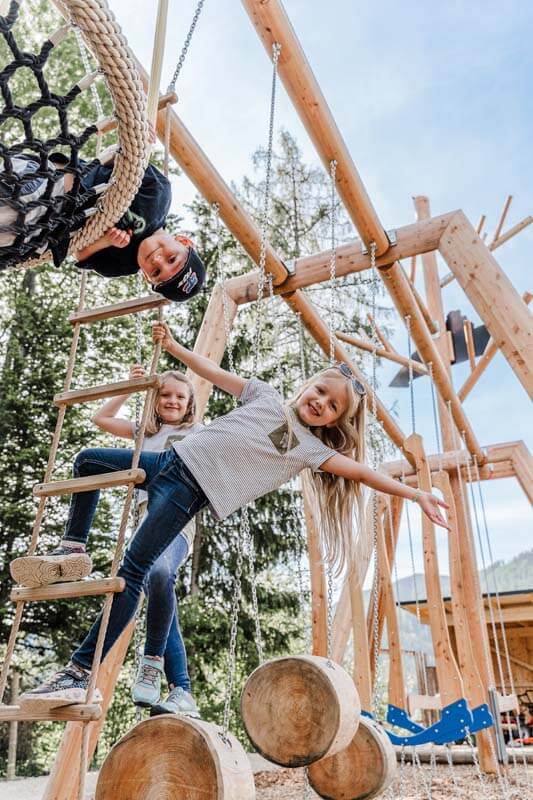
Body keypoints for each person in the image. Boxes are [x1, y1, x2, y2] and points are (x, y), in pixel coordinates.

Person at [18, 321, 450, 712]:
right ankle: (73, 547)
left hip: (187, 491)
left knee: (134, 573)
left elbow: (361, 472)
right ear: (307, 386)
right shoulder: (265, 395)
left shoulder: (308, 449)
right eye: (320, 391)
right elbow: (212, 372)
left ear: (335, 420)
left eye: (332, 406)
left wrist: (415, 494)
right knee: (88, 461)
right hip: (167, 462)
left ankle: (80, 672)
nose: (321, 402)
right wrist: (175, 347)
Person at [11, 366, 203, 718]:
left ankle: (153, 662)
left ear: (190, 404)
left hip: (178, 523)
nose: (172, 401)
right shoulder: (145, 431)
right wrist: (131, 387)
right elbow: (101, 418)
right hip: (146, 521)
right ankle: (73, 545)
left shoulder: (197, 433)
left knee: (160, 575)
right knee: (158, 588)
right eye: (164, 395)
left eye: (180, 396)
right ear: (154, 401)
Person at [0, 136, 205, 302]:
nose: (158, 260)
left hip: (45, 231)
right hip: (55, 184)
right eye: (172, 259)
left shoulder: (122, 265)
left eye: (157, 272)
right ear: (184, 241)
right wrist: (138, 140)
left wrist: (106, 241)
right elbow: (128, 158)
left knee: (10, 243)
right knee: (19, 206)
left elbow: (79, 252)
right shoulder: (158, 196)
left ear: (147, 277)